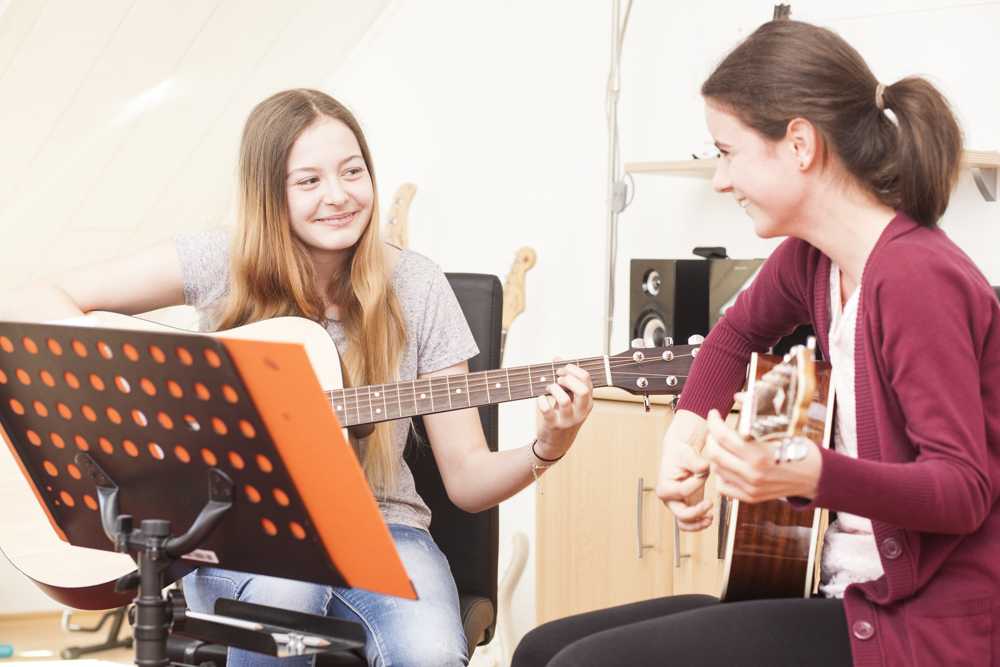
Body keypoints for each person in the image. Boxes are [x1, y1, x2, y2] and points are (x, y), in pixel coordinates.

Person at [0, 88, 594, 667]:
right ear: (269, 193)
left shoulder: (416, 285)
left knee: (433, 653)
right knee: (289, 597)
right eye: (308, 180)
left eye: (352, 172)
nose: (338, 196)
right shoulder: (221, 260)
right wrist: (133, 387)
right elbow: (31, 301)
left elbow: (466, 479)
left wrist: (548, 445)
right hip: (233, 522)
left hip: (386, 528)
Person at [513, 19, 1000, 667]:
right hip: (836, 589)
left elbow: (963, 489)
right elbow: (734, 335)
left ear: (798, 143)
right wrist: (681, 439)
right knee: (542, 648)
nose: (720, 180)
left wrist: (810, 473)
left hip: (917, 623)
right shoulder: (814, 261)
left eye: (727, 151)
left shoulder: (916, 277)